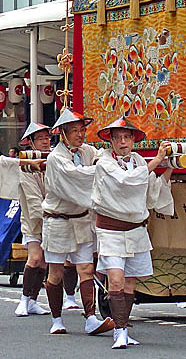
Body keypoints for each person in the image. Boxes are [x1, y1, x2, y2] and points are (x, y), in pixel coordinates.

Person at [92, 118, 174, 349]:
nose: (122, 141)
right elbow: (127, 181)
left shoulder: (138, 160)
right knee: (115, 280)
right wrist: (157, 159)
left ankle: (123, 326)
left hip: (136, 229)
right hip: (111, 229)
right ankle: (119, 331)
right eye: (117, 137)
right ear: (111, 140)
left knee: (129, 284)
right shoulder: (104, 162)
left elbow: (151, 190)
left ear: (134, 139)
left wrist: (168, 168)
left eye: (127, 137)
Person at [42, 107, 114, 336]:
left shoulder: (86, 152)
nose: (79, 135)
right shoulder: (56, 159)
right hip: (58, 221)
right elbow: (76, 178)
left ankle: (90, 317)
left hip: (81, 219)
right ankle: (56, 319)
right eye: (74, 130)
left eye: (82, 130)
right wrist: (100, 169)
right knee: (56, 273)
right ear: (62, 133)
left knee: (86, 268)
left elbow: (103, 157)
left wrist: (106, 159)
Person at [14, 122, 51, 318]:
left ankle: (34, 300)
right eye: (40, 139)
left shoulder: (55, 158)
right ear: (32, 143)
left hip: (53, 216)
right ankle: (23, 300)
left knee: (44, 261)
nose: (45, 142)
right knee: (35, 257)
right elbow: (33, 199)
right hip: (33, 218)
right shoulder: (26, 164)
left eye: (47, 138)